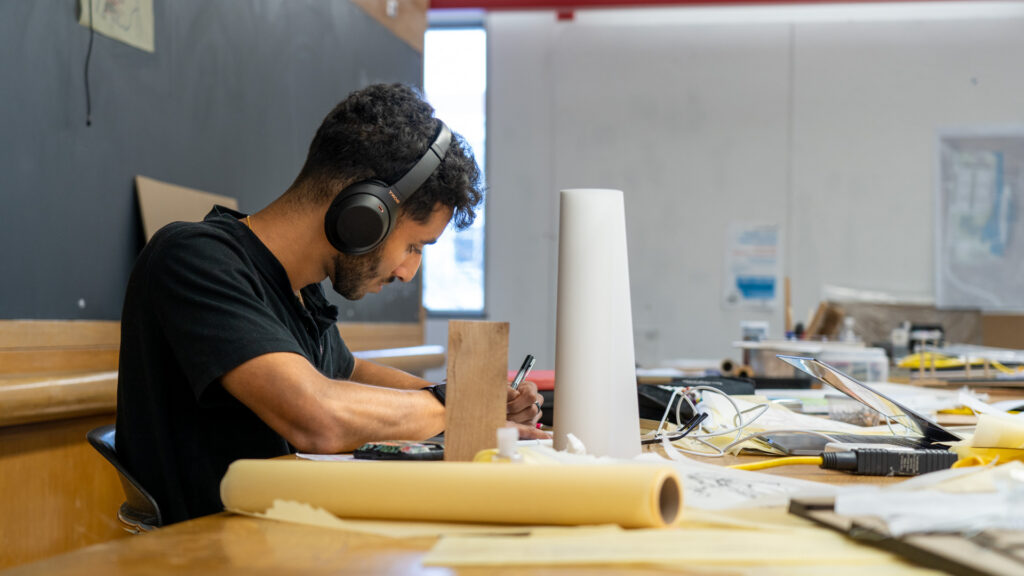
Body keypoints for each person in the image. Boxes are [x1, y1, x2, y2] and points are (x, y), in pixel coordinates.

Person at [115, 83, 546, 525]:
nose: (407, 272)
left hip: (289, 540)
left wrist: (464, 396)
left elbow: (348, 373)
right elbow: (318, 415)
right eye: (415, 246)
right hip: (212, 555)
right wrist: (462, 412)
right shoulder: (194, 259)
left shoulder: (301, 291)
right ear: (365, 213)